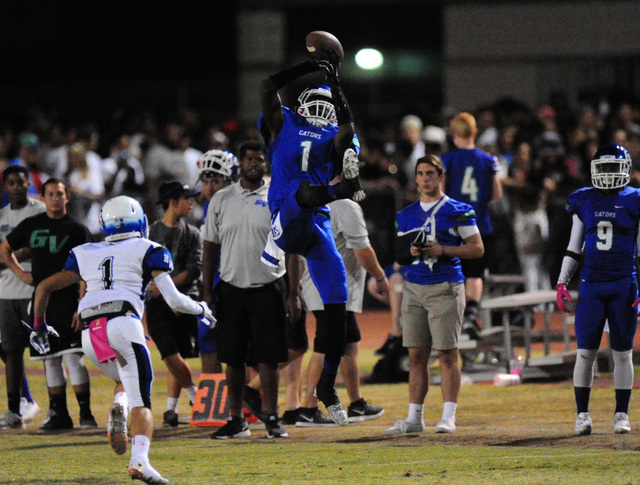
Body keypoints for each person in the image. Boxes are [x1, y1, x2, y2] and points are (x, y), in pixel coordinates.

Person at [26, 195, 214, 484]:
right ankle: (140, 461)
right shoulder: (150, 248)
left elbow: (44, 287)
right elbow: (175, 299)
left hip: (91, 333)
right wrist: (202, 309)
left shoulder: (85, 250)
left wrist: (38, 327)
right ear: (139, 221)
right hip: (124, 324)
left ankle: (119, 407)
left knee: (125, 380)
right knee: (143, 401)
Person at [258, 48, 364, 425]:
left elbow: (349, 131)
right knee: (304, 193)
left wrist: (335, 81)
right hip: (286, 210)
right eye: (314, 99)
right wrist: (313, 66)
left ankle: (327, 387)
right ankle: (342, 193)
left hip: (317, 226)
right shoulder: (282, 122)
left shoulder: (335, 133)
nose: (321, 108)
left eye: (328, 103)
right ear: (300, 104)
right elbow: (269, 86)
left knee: (337, 312)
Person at [384, 155, 483, 435]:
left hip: (445, 285)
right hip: (414, 287)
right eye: (420, 173)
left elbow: (477, 248)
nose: (425, 178)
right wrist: (410, 254)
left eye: (430, 173)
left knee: (448, 353)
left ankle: (448, 416)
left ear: (441, 177)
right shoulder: (405, 215)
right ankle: (415, 418)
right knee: (416, 355)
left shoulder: (458, 210)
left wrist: (443, 250)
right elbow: (400, 257)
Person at [202, 140, 289, 439]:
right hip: (231, 287)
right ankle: (236, 419)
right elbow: (210, 247)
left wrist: (294, 293)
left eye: (260, 159)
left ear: (267, 164)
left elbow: (291, 246)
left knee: (269, 358)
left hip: (268, 286)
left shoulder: (277, 197)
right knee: (233, 357)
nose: (254, 163)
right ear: (240, 162)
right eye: (249, 158)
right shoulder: (222, 199)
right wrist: (207, 290)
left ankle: (272, 416)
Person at [0, 178, 96, 432]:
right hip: (41, 301)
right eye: (51, 194)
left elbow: (88, 269)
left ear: (68, 197)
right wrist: (21, 274)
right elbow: (5, 248)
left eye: (60, 194)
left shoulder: (77, 229)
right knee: (49, 359)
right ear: (42, 198)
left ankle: (86, 415)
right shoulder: (33, 225)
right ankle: (59, 413)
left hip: (69, 299)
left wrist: (82, 304)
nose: (56, 198)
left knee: (74, 357)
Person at [556, 144, 638, 435]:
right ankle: (582, 415)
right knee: (585, 352)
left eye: (613, 167)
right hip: (592, 284)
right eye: (602, 168)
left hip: (623, 283)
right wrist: (562, 282)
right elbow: (574, 246)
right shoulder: (583, 200)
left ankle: (621, 414)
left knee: (623, 353)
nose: (607, 174)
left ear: (626, 168)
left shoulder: (635, 199)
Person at [297, 197, 388, 426]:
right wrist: (379, 275)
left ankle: (356, 403)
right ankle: (308, 408)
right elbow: (362, 249)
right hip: (333, 288)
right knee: (325, 346)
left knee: (349, 343)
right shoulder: (345, 205)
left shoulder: (308, 202)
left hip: (321, 285)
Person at [441, 112, 502, 339]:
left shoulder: (447, 160)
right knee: (475, 274)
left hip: (454, 226)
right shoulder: (488, 160)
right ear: (475, 132)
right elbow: (496, 193)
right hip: (480, 224)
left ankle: (455, 317)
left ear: (454, 132)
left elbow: (442, 192)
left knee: (453, 273)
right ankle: (471, 314)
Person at [146, 181, 202, 427]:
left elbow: (193, 270)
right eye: (186, 199)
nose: (191, 203)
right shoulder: (150, 233)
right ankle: (195, 397)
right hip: (157, 304)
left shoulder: (192, 233)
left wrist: (164, 286)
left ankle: (170, 410)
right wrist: (161, 289)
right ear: (172, 201)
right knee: (170, 354)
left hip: (183, 301)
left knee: (177, 356)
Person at [0, 166, 45, 429]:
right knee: (10, 351)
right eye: (11, 183)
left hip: (34, 289)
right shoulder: (2, 216)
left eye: (21, 181)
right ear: (5, 187)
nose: (17, 186)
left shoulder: (39, 211)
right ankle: (17, 406)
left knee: (50, 352)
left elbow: (37, 247)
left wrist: (8, 258)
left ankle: (60, 409)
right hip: (5, 292)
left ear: (28, 183)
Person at [194, 149, 238, 374]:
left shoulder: (233, 204)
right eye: (206, 180)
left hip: (232, 281)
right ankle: (216, 402)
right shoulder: (210, 206)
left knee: (238, 346)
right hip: (214, 281)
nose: (210, 187)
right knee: (206, 340)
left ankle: (250, 397)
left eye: (216, 181)